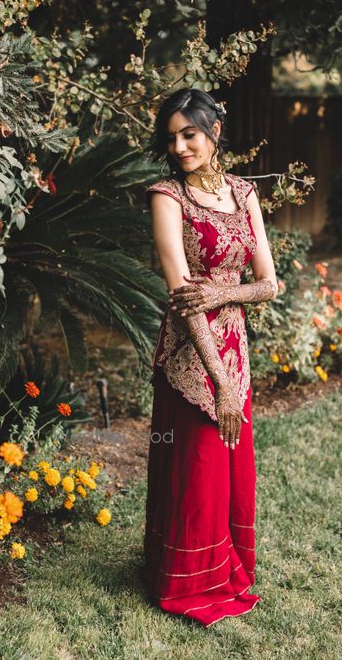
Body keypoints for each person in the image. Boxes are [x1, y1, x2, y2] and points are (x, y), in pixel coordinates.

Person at [143, 87, 279, 628]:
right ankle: (185, 580)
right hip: (188, 352)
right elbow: (182, 294)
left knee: (230, 472)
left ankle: (227, 571)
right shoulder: (166, 196)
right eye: (171, 137)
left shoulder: (245, 193)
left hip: (234, 348)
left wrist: (224, 293)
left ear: (214, 132)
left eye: (189, 134)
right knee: (197, 468)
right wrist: (217, 381)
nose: (179, 146)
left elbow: (269, 284)